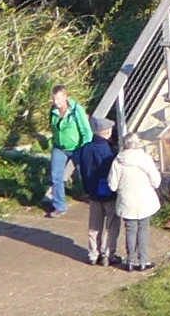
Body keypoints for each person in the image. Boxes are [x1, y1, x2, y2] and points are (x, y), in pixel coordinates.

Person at [108, 134, 165, 271]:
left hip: (127, 201)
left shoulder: (118, 161)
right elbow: (156, 182)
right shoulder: (145, 159)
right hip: (145, 200)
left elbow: (112, 185)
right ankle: (143, 261)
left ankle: (131, 261)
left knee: (130, 230)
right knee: (143, 229)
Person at [73, 127, 117, 266]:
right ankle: (107, 254)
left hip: (92, 193)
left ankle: (93, 254)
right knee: (111, 226)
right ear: (107, 132)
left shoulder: (86, 148)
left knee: (94, 226)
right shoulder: (109, 151)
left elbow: (80, 165)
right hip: (109, 193)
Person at [43, 86, 88, 215]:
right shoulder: (53, 110)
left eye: (58, 99)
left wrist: (86, 146)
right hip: (59, 147)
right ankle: (59, 206)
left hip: (76, 147)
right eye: (53, 99)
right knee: (56, 176)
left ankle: (94, 197)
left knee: (84, 172)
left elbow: (85, 129)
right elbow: (53, 126)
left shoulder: (77, 110)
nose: (55, 102)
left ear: (65, 96)